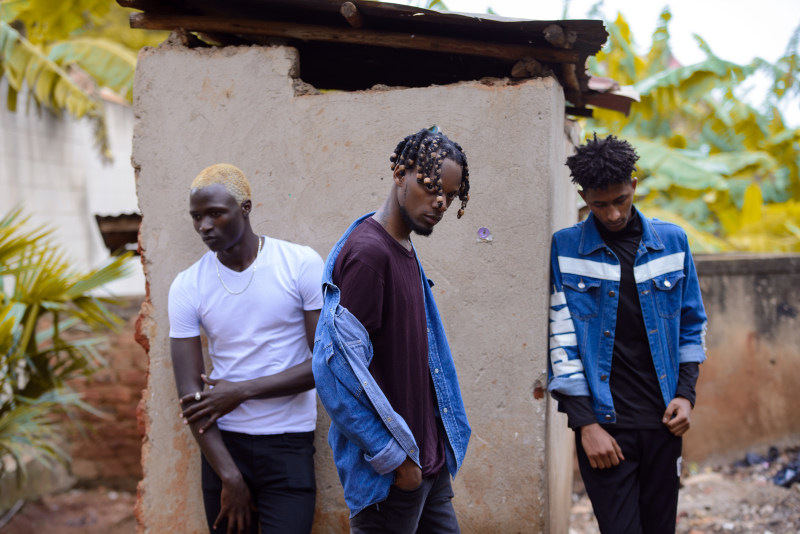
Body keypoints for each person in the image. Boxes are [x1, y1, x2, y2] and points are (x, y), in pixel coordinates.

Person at [312, 127, 472, 533]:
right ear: (400, 173)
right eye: (431, 186)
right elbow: (333, 372)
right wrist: (395, 461)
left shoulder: (403, 248)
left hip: (427, 462)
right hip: (394, 478)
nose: (440, 202)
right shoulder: (369, 255)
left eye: (450, 196)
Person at [547, 134, 708, 533]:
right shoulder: (567, 248)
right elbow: (561, 339)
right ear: (584, 196)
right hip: (606, 429)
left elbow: (692, 325)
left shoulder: (672, 242)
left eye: (621, 199)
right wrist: (586, 426)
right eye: (600, 205)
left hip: (663, 424)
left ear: (634, 185)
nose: (614, 214)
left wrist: (686, 397)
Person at [168, 164, 323, 534]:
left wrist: (241, 391)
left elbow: (327, 367)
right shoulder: (188, 285)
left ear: (246, 208)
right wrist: (230, 477)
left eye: (215, 213)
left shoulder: (299, 264)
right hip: (224, 450)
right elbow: (190, 396)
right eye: (196, 217)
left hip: (289, 445)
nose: (204, 226)